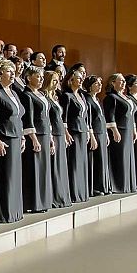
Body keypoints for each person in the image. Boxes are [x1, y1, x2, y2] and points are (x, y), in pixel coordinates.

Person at [0, 60, 24, 223]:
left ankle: (15, 210)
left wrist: (22, 135)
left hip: (16, 137)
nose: (12, 74)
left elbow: (18, 115)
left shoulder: (14, 91)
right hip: (5, 138)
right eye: (9, 71)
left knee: (15, 176)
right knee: (6, 177)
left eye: (13, 71)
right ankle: (5, 212)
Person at [19, 66, 54, 212]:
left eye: (41, 77)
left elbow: (46, 117)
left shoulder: (41, 94)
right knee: (34, 169)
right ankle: (33, 203)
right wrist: (33, 138)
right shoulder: (26, 95)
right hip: (35, 135)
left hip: (45, 134)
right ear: (28, 78)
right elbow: (28, 119)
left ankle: (44, 201)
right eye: (38, 76)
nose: (41, 79)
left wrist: (51, 136)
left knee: (43, 169)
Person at [61, 69, 91, 202]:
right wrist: (66, 132)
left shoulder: (82, 95)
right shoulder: (66, 96)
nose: (81, 80)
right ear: (70, 80)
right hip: (73, 131)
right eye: (78, 78)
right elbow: (64, 117)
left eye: (81, 78)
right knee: (74, 162)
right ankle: (74, 192)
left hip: (82, 130)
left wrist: (89, 131)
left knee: (82, 162)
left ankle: (82, 192)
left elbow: (86, 115)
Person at [104, 73, 137, 194]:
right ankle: (118, 184)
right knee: (119, 157)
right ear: (113, 83)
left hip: (128, 130)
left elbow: (131, 115)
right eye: (120, 81)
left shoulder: (125, 97)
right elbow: (110, 115)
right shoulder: (111, 97)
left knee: (128, 157)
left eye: (124, 81)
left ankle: (128, 183)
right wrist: (114, 130)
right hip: (119, 130)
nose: (123, 83)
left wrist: (134, 130)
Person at [43, 70, 72, 207]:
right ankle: (55, 197)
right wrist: (50, 138)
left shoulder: (55, 96)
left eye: (57, 81)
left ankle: (62, 195)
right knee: (54, 166)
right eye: (54, 80)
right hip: (53, 133)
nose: (57, 83)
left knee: (60, 166)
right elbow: (47, 119)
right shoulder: (44, 97)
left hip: (60, 132)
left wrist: (65, 133)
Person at [84, 75, 111, 196]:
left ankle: (104, 185)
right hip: (94, 132)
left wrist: (106, 133)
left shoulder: (97, 99)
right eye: (96, 83)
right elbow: (89, 119)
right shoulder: (88, 99)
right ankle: (95, 187)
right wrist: (92, 135)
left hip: (101, 132)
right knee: (95, 161)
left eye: (100, 83)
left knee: (102, 160)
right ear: (90, 86)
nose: (100, 85)